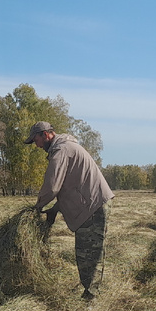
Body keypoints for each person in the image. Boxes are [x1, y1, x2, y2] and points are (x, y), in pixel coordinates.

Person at [25, 121, 114, 300]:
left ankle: (91, 297)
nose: (37, 145)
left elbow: (52, 187)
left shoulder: (61, 151)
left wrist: (37, 207)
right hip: (89, 203)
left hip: (93, 205)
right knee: (84, 251)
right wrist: (55, 209)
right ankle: (89, 292)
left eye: (36, 140)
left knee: (90, 252)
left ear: (46, 135)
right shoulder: (64, 148)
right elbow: (68, 185)